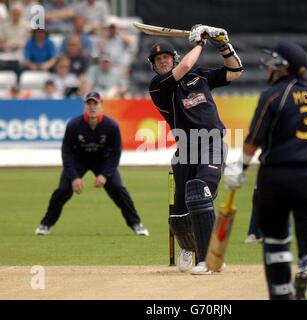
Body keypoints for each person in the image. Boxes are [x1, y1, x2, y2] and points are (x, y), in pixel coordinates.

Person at [224, 41, 307, 299]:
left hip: (274, 178)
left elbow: (253, 139)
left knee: (276, 244)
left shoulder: (275, 94)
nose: (269, 66)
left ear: (283, 66)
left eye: (273, 61)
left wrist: (239, 169)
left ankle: (281, 294)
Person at [148, 24, 243, 275]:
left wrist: (222, 44)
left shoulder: (199, 77)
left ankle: (209, 258)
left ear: (174, 58)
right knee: (180, 216)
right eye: (158, 60)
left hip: (212, 142)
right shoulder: (159, 87)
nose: (163, 62)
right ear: (154, 66)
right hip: (185, 149)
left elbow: (235, 71)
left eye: (166, 57)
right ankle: (189, 246)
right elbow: (185, 67)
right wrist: (201, 42)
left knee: (200, 194)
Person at [35, 91, 149, 236]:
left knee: (118, 189)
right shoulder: (74, 125)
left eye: (95, 103)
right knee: (62, 191)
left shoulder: (111, 126)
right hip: (78, 161)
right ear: (84, 107)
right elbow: (66, 153)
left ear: (101, 106)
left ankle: (136, 224)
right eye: (89, 104)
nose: (92, 107)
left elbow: (115, 154)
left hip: (103, 161)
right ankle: (45, 224)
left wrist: (104, 175)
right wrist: (74, 177)